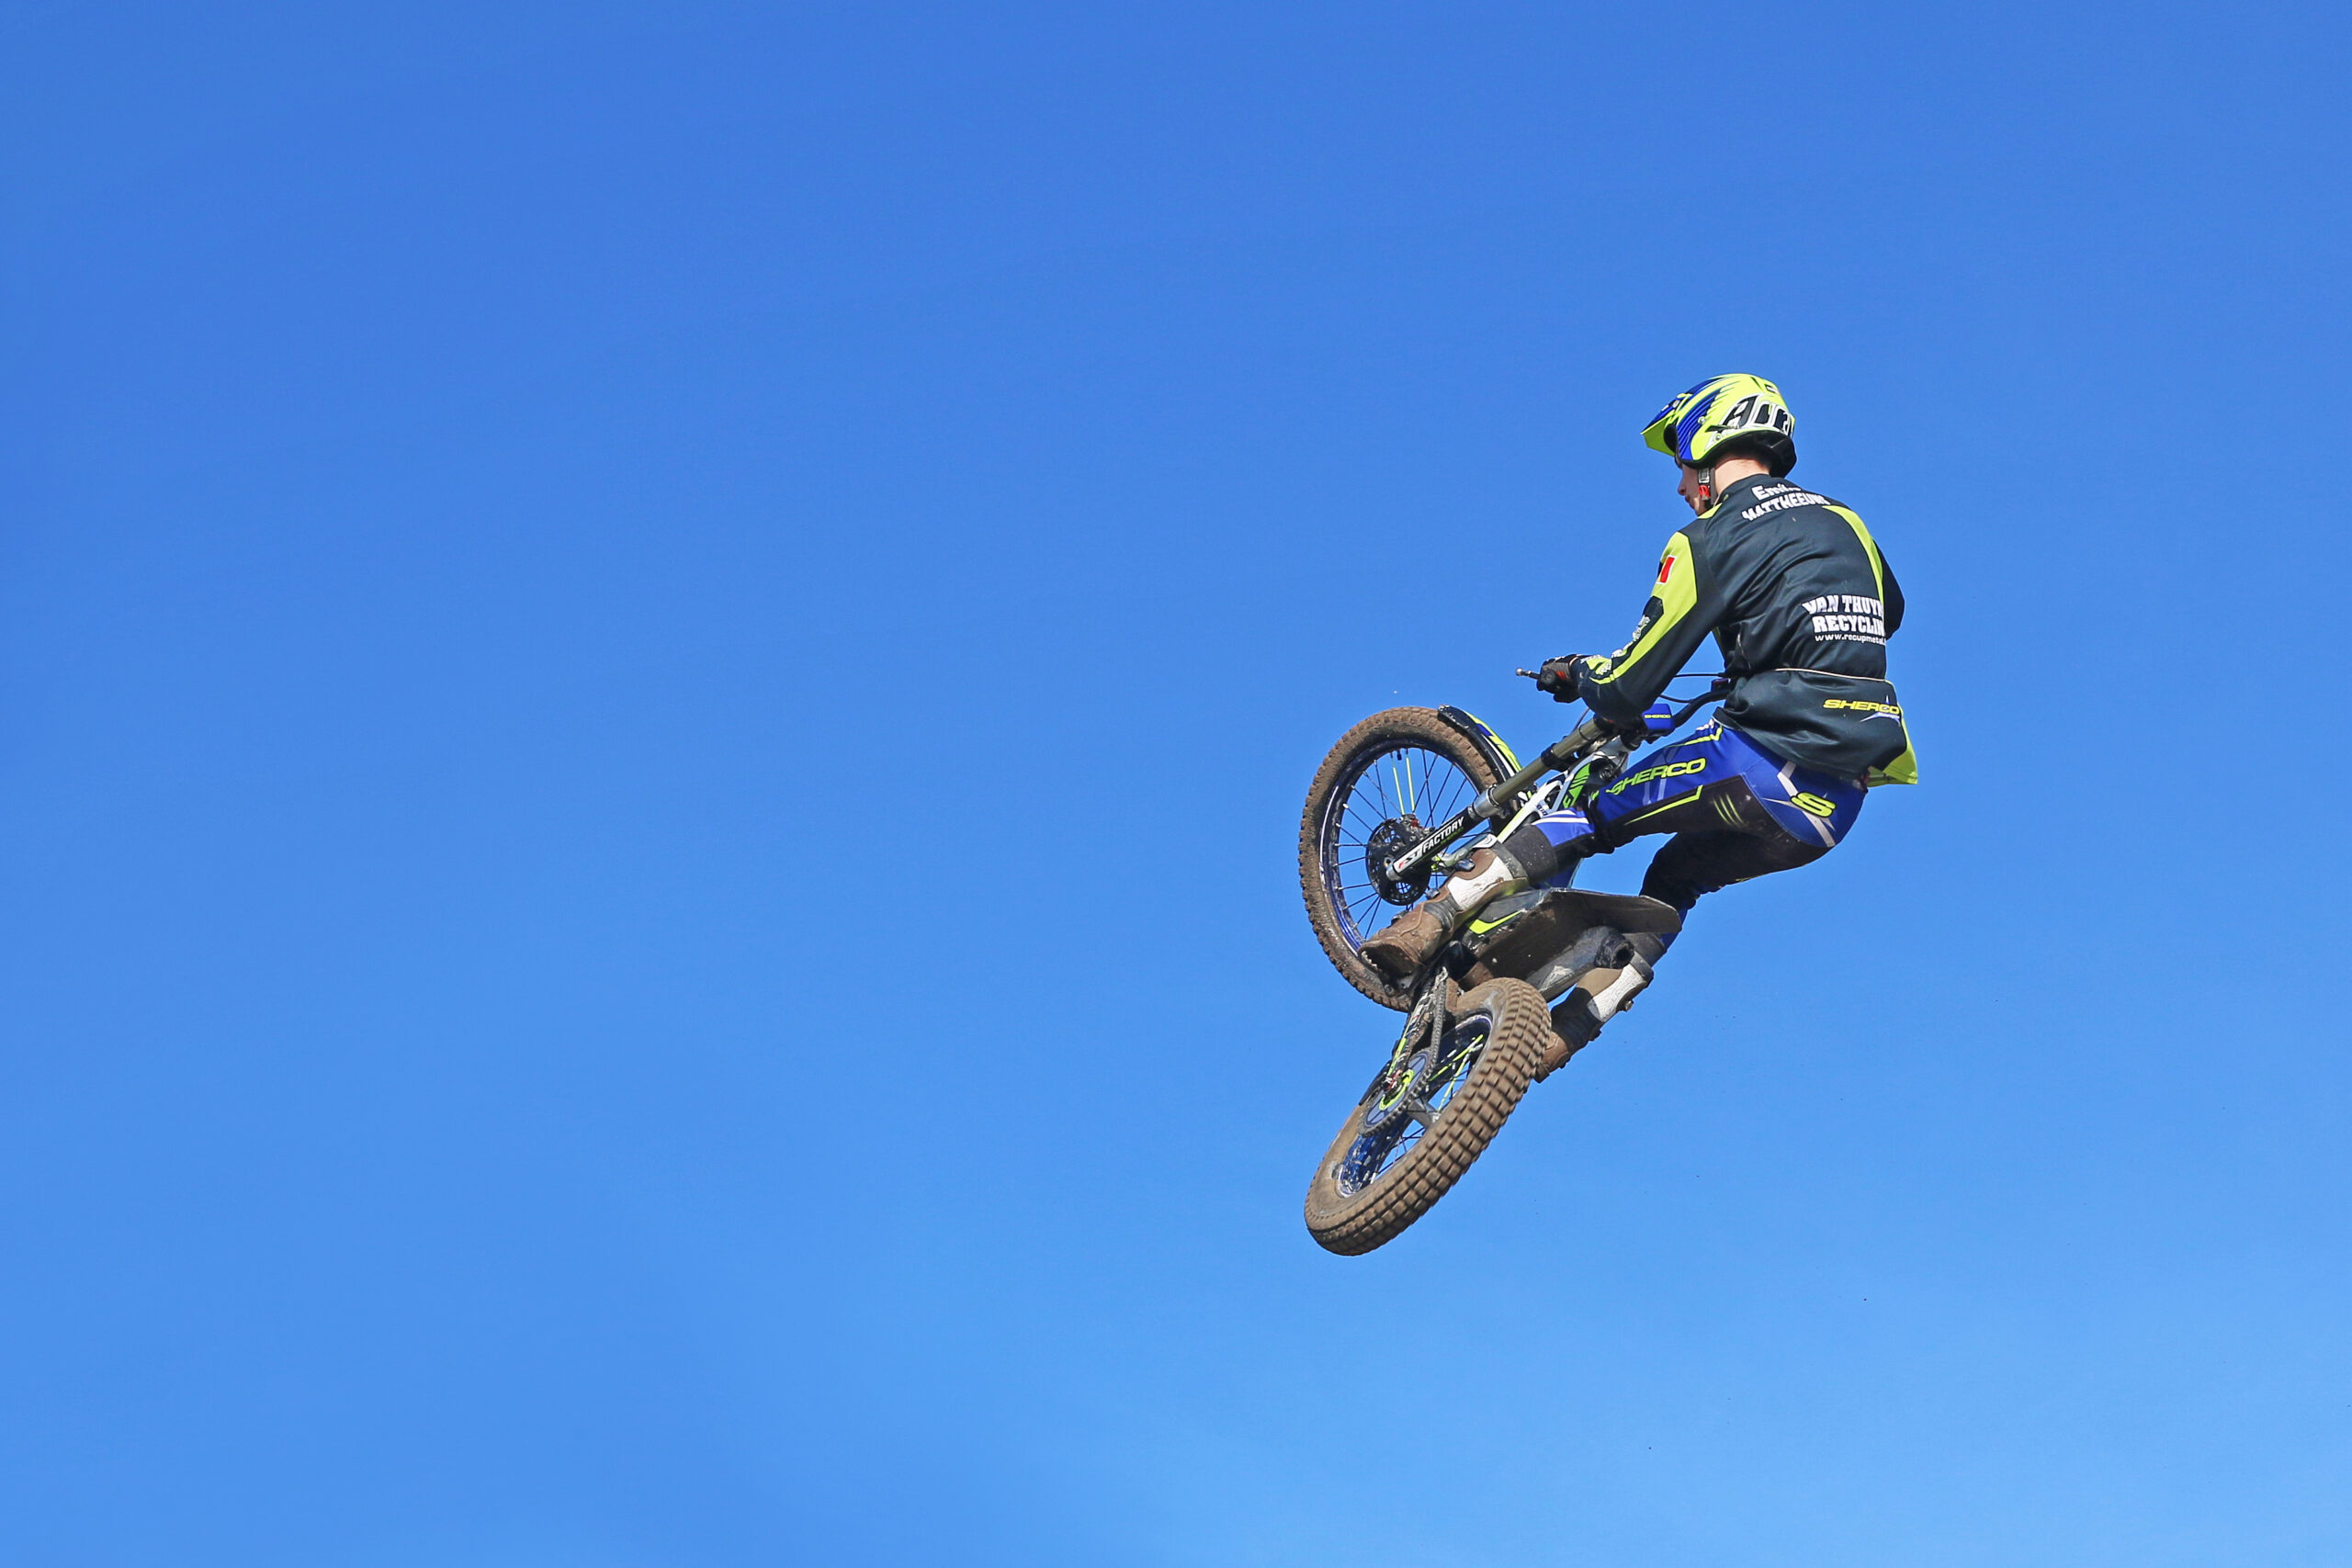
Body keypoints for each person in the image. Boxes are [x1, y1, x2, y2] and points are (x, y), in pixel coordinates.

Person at [1359, 374, 1917, 1056]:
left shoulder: (1707, 538)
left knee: (1587, 814)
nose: (1681, 485)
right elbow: (1889, 609)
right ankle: (1567, 1034)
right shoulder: (1847, 523)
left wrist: (1578, 671)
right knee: (1677, 879)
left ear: (1706, 443)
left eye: (1680, 463)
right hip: (1834, 809)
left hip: (1761, 762)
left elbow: (1626, 687)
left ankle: (1425, 922)